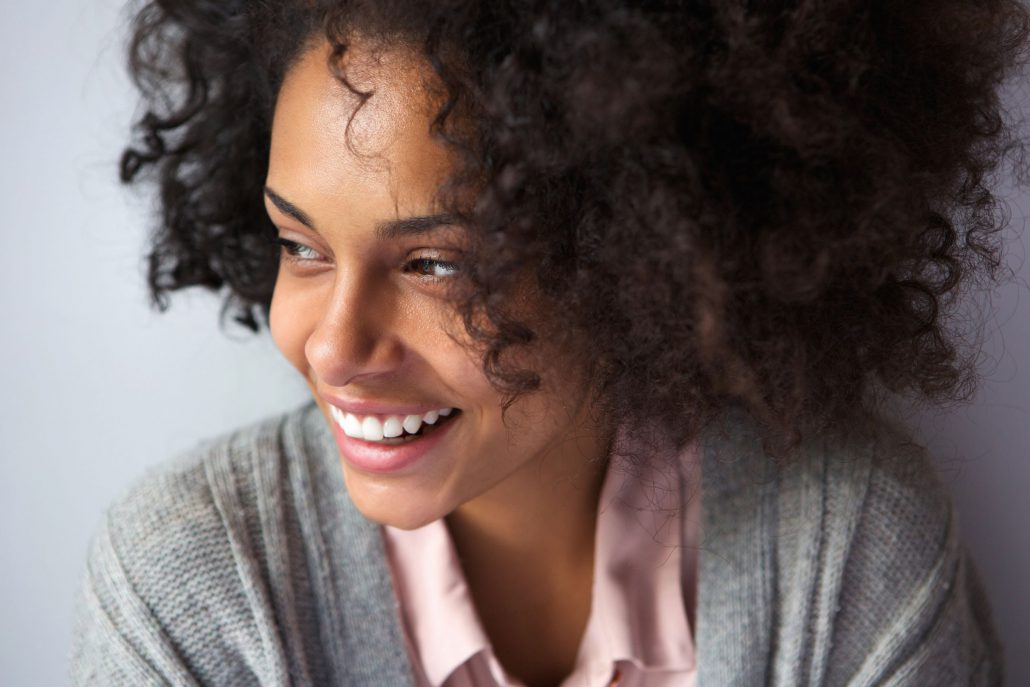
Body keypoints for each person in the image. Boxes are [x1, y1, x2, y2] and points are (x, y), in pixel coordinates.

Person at [70, 1, 1028, 685]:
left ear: (635, 253)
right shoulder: (190, 593)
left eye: (436, 264)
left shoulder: (851, 555)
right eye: (301, 246)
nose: (333, 346)